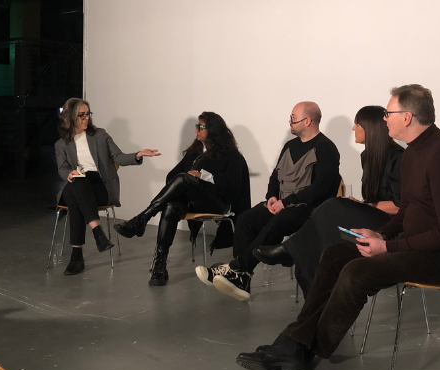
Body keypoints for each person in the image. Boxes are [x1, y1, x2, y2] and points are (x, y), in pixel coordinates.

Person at [235, 85, 440, 370]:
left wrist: (389, 247)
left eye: (388, 113)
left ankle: (304, 348)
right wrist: (382, 235)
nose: (384, 119)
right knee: (334, 256)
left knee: (356, 272)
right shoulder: (414, 154)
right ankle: (294, 344)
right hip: (419, 245)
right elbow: (407, 210)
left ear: (407, 117)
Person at [196, 102, 341, 302]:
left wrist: (287, 202)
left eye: (293, 118)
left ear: (307, 121)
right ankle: (242, 278)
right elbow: (276, 175)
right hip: (282, 203)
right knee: (245, 219)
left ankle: (237, 269)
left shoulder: (326, 148)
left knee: (278, 222)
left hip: (309, 208)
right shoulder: (290, 146)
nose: (289, 122)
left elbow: (320, 188)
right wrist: (272, 196)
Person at [255, 105, 404, 296]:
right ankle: (313, 311)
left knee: (333, 204)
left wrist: (364, 206)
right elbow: (375, 198)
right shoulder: (368, 156)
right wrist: (362, 204)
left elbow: (401, 207)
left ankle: (290, 250)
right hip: (373, 219)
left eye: (357, 124)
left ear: (370, 127)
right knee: (308, 262)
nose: (353, 128)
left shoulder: (398, 159)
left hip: (390, 228)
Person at [115, 112, 250, 286]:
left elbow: (233, 186)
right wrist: (186, 183)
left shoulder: (231, 155)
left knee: (184, 179)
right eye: (197, 126)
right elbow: (172, 176)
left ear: (213, 130)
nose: (197, 130)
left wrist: (203, 176)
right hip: (194, 202)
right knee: (171, 204)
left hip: (219, 202)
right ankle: (160, 266)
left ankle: (143, 218)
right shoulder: (195, 153)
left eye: (201, 127)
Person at [55, 98, 160, 276]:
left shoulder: (100, 135)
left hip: (99, 186)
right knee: (77, 184)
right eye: (81, 115)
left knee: (76, 192)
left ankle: (77, 255)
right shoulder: (61, 144)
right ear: (71, 117)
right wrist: (69, 174)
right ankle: (97, 233)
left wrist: (137, 155)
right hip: (78, 183)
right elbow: (62, 169)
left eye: (88, 114)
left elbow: (118, 157)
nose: (86, 118)